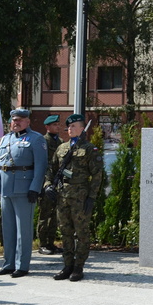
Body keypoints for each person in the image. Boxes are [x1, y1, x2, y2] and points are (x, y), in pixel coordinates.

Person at [0, 108, 48, 278]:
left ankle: (22, 266)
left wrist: (35, 188)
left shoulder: (36, 139)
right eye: (14, 119)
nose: (16, 122)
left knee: (24, 230)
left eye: (20, 120)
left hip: (24, 190)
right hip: (6, 189)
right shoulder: (5, 140)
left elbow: (40, 166)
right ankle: (8, 264)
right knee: (8, 229)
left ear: (28, 122)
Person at [44, 114, 103, 282]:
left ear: (82, 128)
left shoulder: (90, 149)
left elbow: (97, 175)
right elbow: (51, 169)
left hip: (80, 198)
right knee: (65, 232)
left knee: (82, 233)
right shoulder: (62, 148)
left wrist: (91, 197)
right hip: (62, 197)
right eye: (68, 127)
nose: (70, 129)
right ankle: (67, 265)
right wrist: (47, 185)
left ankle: (78, 267)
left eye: (74, 126)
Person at [37, 114, 64, 254]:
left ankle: (51, 242)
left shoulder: (60, 141)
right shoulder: (43, 141)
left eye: (58, 124)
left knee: (54, 215)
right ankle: (42, 243)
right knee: (45, 214)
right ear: (47, 127)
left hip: (57, 182)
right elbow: (42, 164)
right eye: (54, 125)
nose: (57, 126)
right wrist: (44, 184)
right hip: (45, 183)